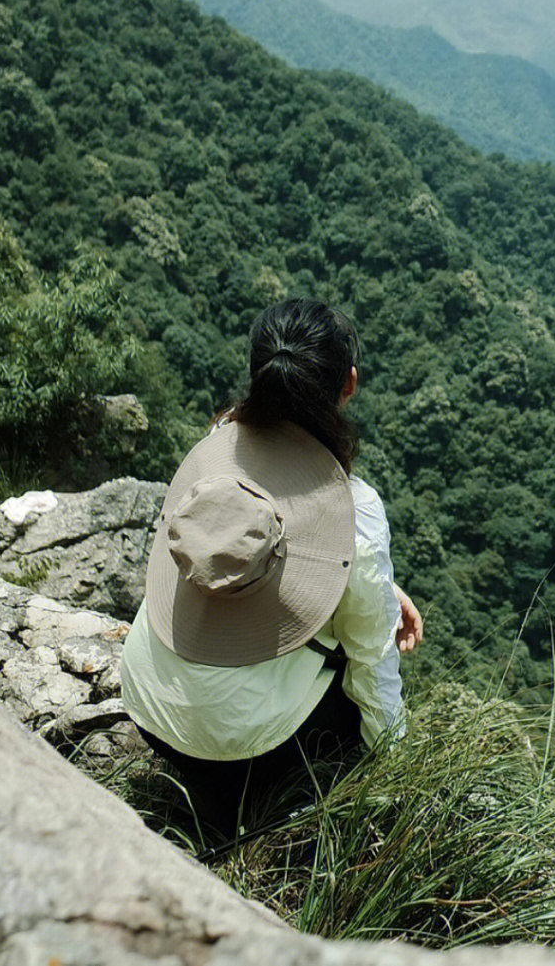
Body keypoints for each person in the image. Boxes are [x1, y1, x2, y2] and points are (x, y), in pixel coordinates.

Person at [120, 298, 421, 834]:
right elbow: (374, 665)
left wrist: (380, 586)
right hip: (242, 755)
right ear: (348, 385)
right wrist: (397, 776)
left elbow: (240, 558)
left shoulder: (217, 449)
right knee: (354, 679)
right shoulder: (357, 510)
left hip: (147, 705)